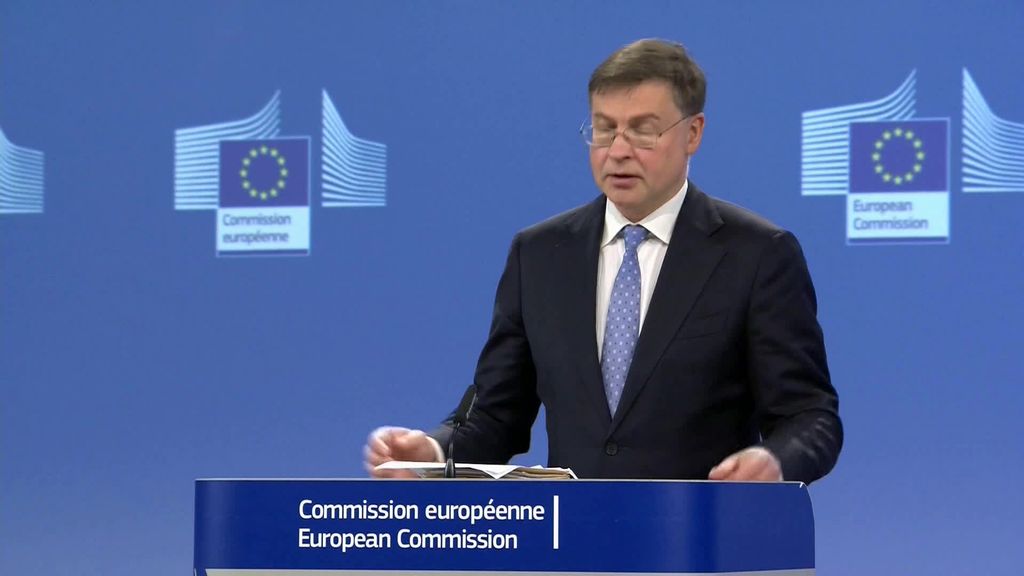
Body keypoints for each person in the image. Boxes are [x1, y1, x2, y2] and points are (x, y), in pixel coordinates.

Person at [364, 39, 842, 483]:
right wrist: (433, 451)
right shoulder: (539, 255)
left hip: (699, 536)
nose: (617, 151)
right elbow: (496, 415)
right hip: (572, 536)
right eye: (604, 128)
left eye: (643, 130)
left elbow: (810, 416)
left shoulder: (757, 254)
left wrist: (776, 461)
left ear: (693, 133)